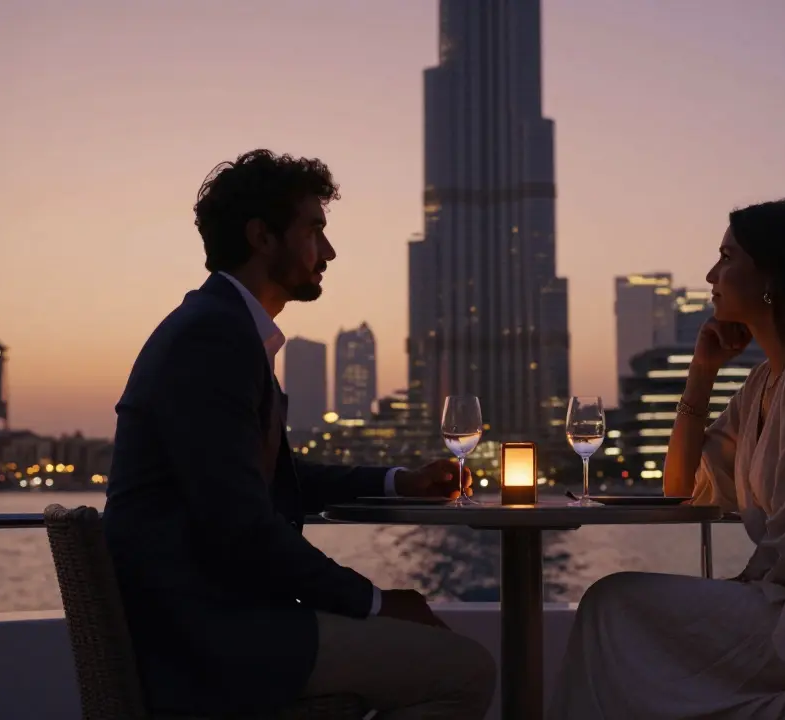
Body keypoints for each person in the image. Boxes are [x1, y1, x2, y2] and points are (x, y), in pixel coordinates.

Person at [104, 149, 496, 719]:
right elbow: (240, 526)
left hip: (202, 617)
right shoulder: (213, 340)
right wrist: (376, 602)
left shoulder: (221, 329)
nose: (329, 252)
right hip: (208, 636)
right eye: (315, 230)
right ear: (262, 237)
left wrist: (398, 482)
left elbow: (275, 479)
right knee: (465, 671)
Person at [548, 199, 785, 719]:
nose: (711, 274)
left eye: (726, 257)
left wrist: (740, 592)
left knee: (613, 605)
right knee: (613, 606)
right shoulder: (765, 383)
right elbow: (678, 488)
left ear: (773, 273)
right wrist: (701, 373)